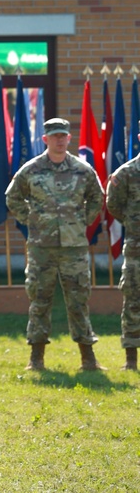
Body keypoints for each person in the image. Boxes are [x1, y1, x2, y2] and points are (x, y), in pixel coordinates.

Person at [6, 115, 105, 372]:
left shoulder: (83, 170)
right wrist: (32, 220)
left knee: (78, 301)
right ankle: (36, 359)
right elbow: (12, 196)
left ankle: (88, 360)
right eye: (54, 136)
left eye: (63, 136)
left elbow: (97, 197)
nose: (59, 141)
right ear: (45, 139)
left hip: (74, 247)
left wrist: (81, 220)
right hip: (42, 247)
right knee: (39, 300)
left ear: (69, 138)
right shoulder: (31, 169)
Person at [106, 152, 140, 370]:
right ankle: (131, 360)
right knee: (133, 300)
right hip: (137, 248)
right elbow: (113, 205)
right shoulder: (126, 173)